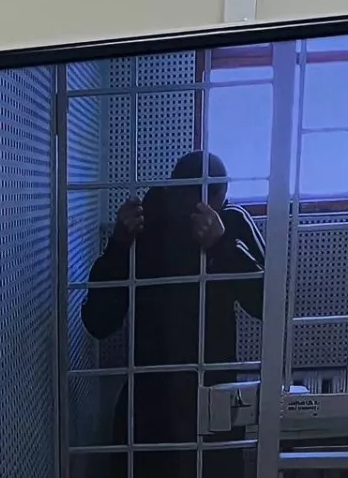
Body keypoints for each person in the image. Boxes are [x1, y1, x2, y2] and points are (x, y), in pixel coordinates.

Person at [81, 151, 265, 446]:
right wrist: (119, 245)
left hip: (210, 390)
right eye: (189, 205)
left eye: (211, 204)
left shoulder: (231, 221)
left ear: (222, 199)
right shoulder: (147, 223)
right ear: (172, 195)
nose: (199, 216)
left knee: (212, 470)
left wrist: (222, 246)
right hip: (153, 393)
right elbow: (98, 322)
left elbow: (270, 306)